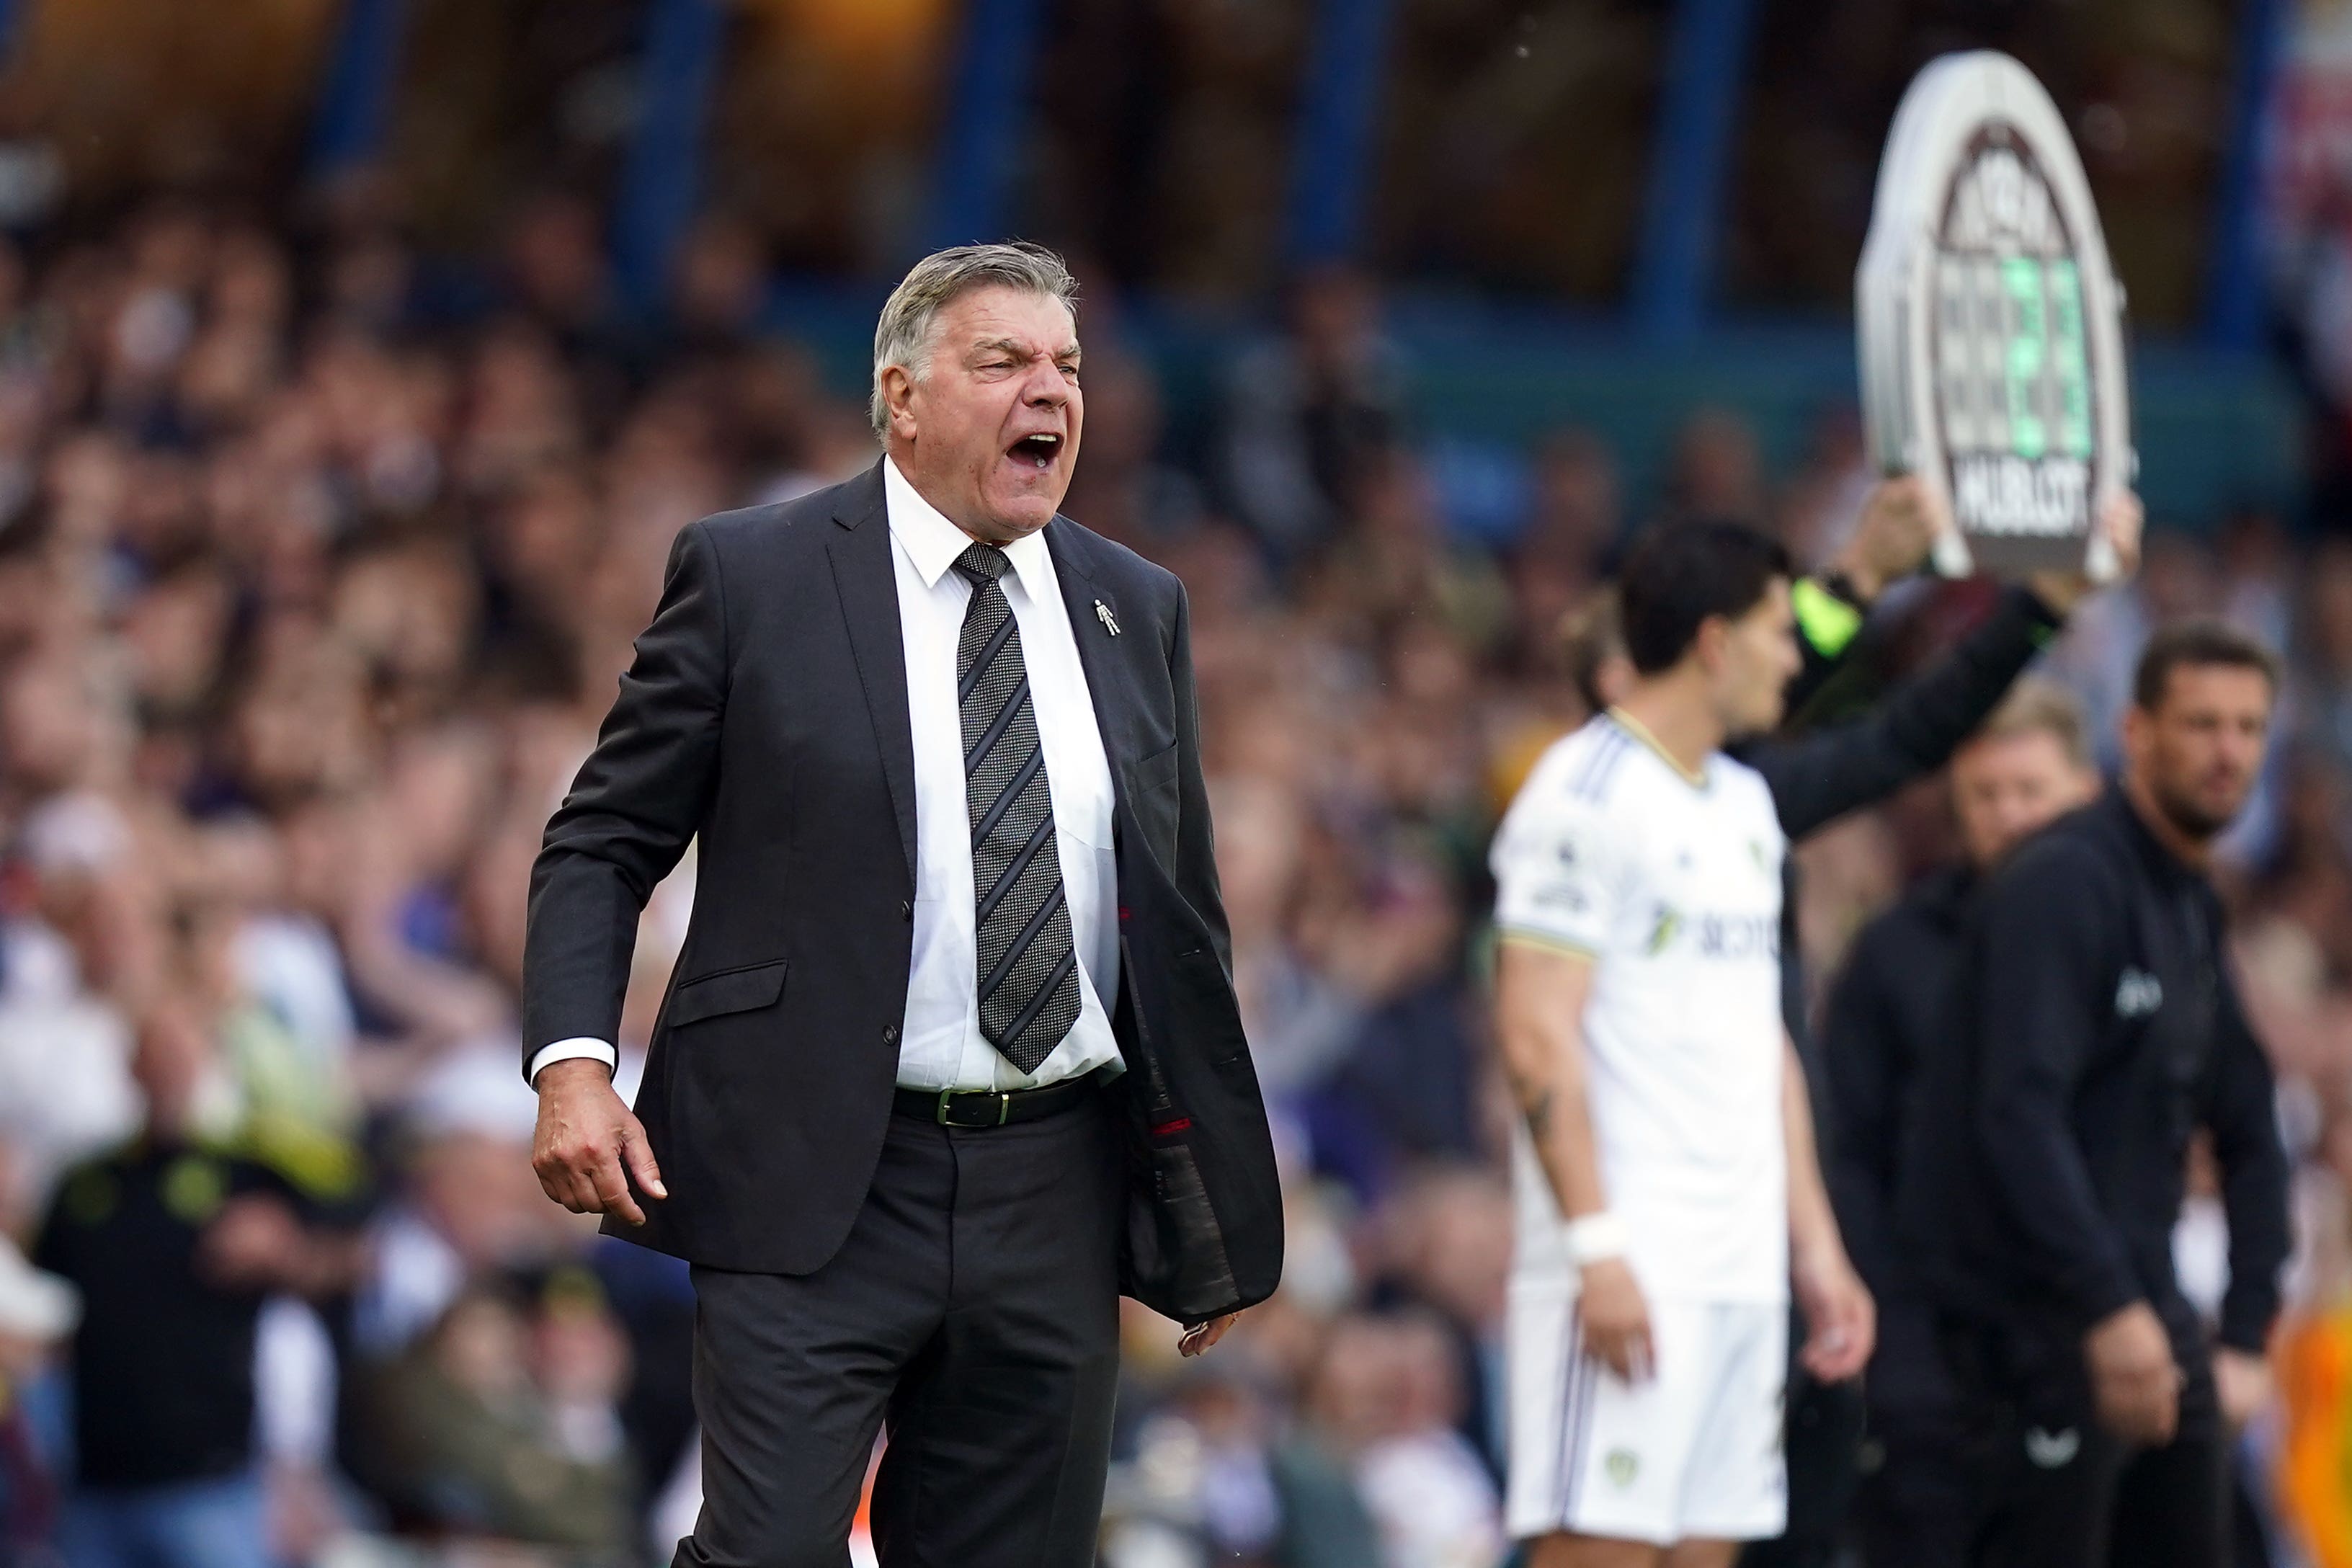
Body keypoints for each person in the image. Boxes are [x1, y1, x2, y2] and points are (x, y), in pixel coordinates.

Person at [522, 241, 1282, 1567]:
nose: (1046, 389)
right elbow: (600, 839)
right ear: (901, 397)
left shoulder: (1132, 604)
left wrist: (1204, 1193)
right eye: (1000, 360)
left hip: (1053, 1179)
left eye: (1065, 364)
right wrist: (574, 1065)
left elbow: (1174, 919)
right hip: (812, 1163)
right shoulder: (751, 573)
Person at [1489, 519, 1876, 1566]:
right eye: (1776, 632)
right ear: (1714, 641)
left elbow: (1764, 1046)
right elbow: (1534, 1036)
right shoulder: (1582, 792)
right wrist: (1596, 1251)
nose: (1793, 659)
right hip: (1630, 1264)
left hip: (1742, 1272)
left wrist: (1818, 1250)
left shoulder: (1747, 806)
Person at [1899, 620, 2294, 1568]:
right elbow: (2016, 1116)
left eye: (2248, 727)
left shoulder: (2189, 901)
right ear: (2136, 733)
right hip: (2025, 1336)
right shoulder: (2064, 883)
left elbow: (2251, 1124)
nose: (2227, 752)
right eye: (2200, 724)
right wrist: (2108, 1308)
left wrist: (2243, 1334)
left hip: (2150, 1319)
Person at [1817, 680, 2102, 1567]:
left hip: (2093, 1341)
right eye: (1987, 795)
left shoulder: (2143, 931)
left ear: (2086, 792)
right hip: (1927, 1356)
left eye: (2032, 792)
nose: (2011, 816)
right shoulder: (1892, 951)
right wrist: (1886, 1335)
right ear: (1954, 804)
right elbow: (1848, 1154)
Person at [33, 996, 362, 1568]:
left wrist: (287, 1252)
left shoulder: (248, 1171)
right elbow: (43, 1310)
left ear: (207, 1064)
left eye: (181, 1054)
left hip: (210, 1479)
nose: (168, 1070)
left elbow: (355, 1252)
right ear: (131, 1067)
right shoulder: (86, 1186)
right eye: (155, 1055)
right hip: (96, 1481)